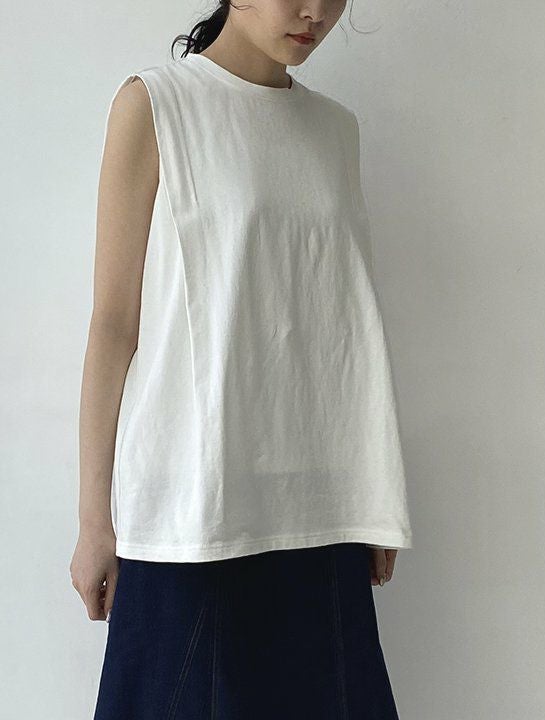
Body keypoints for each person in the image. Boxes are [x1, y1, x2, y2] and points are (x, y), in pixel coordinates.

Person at [70, 1, 413, 717]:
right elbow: (114, 325)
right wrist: (95, 521)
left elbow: (342, 326)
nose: (315, 12)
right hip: (190, 509)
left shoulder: (336, 130)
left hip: (318, 506)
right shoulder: (155, 105)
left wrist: (371, 497)